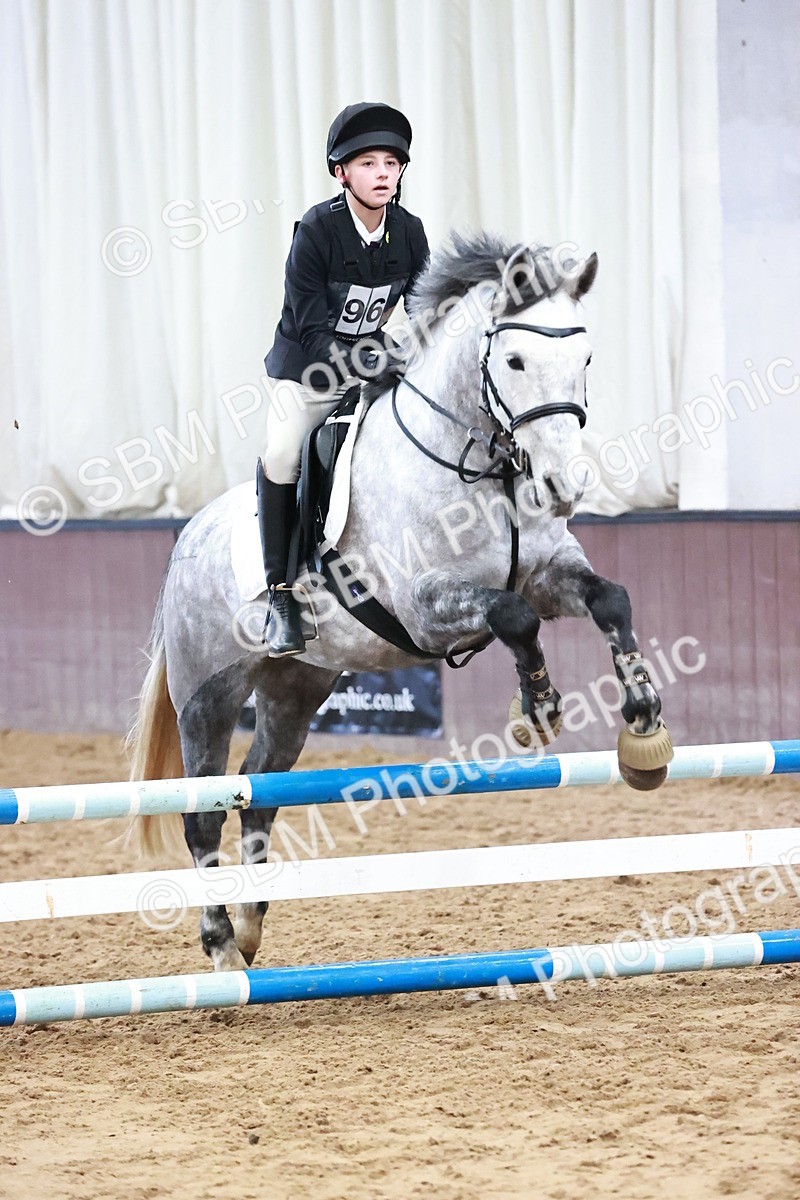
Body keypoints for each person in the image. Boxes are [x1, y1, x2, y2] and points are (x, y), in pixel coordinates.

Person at [258, 102, 430, 656]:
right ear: (341, 173)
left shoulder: (410, 232)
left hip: (373, 368)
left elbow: (426, 312)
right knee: (283, 453)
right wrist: (366, 364)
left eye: (391, 163)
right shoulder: (315, 231)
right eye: (368, 164)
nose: (383, 174)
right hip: (309, 372)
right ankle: (281, 596)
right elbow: (310, 329)